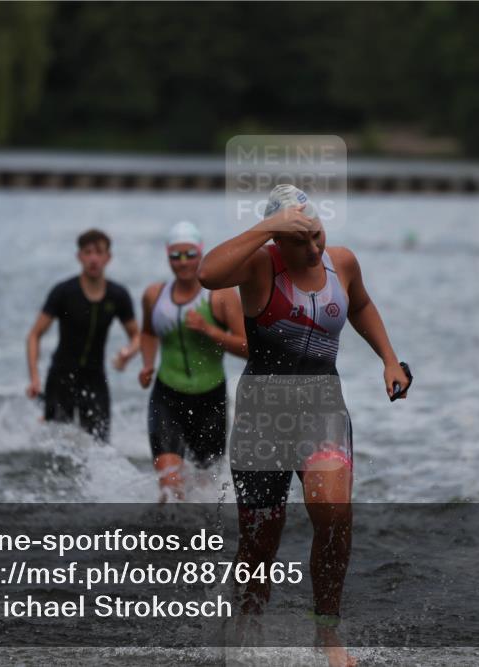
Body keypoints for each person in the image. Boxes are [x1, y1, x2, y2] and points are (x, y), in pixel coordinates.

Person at [198, 185, 410, 667]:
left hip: (322, 410)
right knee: (259, 540)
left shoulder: (343, 262)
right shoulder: (258, 265)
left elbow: (359, 305)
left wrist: (389, 360)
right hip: (262, 416)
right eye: (300, 240)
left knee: (334, 516)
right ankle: (247, 630)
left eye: (316, 234)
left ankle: (327, 635)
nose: (313, 249)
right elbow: (208, 273)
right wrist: (269, 228)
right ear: (277, 241)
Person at [138, 221, 247, 501]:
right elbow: (148, 333)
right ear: (168, 257)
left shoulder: (221, 296)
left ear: (201, 254)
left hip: (210, 401)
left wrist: (209, 330)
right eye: (176, 255)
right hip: (167, 396)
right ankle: (167, 542)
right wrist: (147, 364)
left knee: (204, 493)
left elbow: (248, 346)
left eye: (190, 254)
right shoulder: (154, 295)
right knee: (169, 486)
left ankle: (198, 542)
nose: (183, 262)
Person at [26, 229, 140, 442]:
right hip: (61, 378)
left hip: (95, 378)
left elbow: (137, 335)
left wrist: (128, 353)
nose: (93, 258)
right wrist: (34, 378)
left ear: (108, 258)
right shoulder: (63, 292)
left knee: (101, 444)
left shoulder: (118, 295)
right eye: (88, 252)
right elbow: (34, 334)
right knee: (55, 444)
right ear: (79, 257)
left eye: (99, 252)